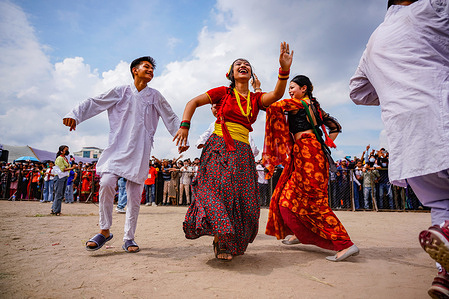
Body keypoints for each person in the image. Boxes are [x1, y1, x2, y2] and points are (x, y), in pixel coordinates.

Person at [349, 0, 449, 295]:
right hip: (440, 118)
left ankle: (445, 276)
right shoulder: (431, 9)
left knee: (442, 203)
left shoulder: (373, 41)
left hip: (407, 143)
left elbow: (357, 91)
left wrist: (395, 87)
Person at [174, 42, 293, 261]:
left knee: (244, 201)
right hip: (219, 147)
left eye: (247, 64)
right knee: (216, 193)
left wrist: (284, 70)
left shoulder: (256, 99)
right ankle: (221, 241)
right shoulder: (223, 92)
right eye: (238, 63)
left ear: (251, 74)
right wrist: (184, 126)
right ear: (231, 73)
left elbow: (276, 94)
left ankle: (228, 238)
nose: (243, 65)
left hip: (243, 152)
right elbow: (193, 102)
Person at [63, 56, 185, 253]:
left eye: (153, 68)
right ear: (134, 70)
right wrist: (75, 114)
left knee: (134, 196)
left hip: (140, 151)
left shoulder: (155, 95)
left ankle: (129, 237)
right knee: (106, 183)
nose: (151, 70)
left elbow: (170, 115)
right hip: (117, 148)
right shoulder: (121, 91)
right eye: (147, 67)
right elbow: (95, 102)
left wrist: (181, 138)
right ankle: (104, 231)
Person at [263, 74, 359, 262]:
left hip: (307, 153)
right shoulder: (316, 107)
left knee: (313, 202)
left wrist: (259, 92)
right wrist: (325, 142)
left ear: (303, 89)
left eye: (292, 87)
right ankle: (301, 232)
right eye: (289, 88)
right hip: (309, 152)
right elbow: (335, 126)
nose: (290, 91)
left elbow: (271, 106)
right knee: (287, 198)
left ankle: (345, 244)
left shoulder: (297, 104)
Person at [51, 146, 76, 215]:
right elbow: (62, 169)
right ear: (61, 151)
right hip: (60, 177)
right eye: (66, 150)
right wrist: (72, 168)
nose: (67, 151)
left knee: (60, 194)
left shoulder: (65, 158)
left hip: (64, 177)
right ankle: (57, 210)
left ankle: (54, 208)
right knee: (59, 193)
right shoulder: (59, 158)